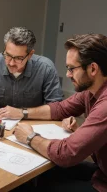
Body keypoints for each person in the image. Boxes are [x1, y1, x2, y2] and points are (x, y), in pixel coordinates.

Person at [13, 34, 107, 191]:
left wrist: (30, 137)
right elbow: (60, 109)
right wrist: (21, 112)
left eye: (71, 69)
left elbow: (67, 153)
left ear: (92, 69)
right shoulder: (90, 91)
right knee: (43, 174)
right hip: (101, 172)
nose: (68, 74)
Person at [0, 27, 63, 118]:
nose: (11, 63)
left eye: (18, 58)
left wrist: (22, 113)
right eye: (8, 55)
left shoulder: (46, 68)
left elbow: (57, 108)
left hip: (32, 125)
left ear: (30, 55)